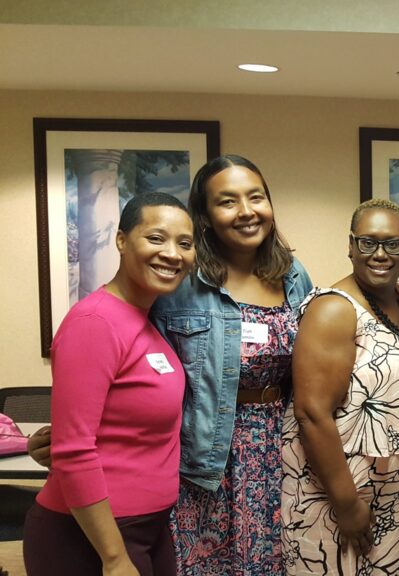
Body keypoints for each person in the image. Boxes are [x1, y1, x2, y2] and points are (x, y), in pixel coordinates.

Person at [30, 155, 314, 575]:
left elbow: (312, 371)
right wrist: (69, 440)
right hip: (201, 463)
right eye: (227, 201)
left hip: (282, 455)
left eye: (256, 197)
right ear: (206, 217)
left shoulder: (293, 275)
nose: (246, 211)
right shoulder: (179, 282)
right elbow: (110, 370)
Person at [23, 193, 196, 576]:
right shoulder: (95, 322)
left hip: (147, 528)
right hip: (90, 537)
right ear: (121, 240)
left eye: (184, 243)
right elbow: (74, 450)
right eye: (156, 238)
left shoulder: (146, 321)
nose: (172, 253)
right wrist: (115, 558)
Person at [280, 199, 399, 575]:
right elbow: (311, 413)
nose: (380, 254)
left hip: (397, 497)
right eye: (368, 242)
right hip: (338, 493)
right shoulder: (334, 309)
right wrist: (346, 504)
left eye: (392, 243)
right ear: (351, 246)